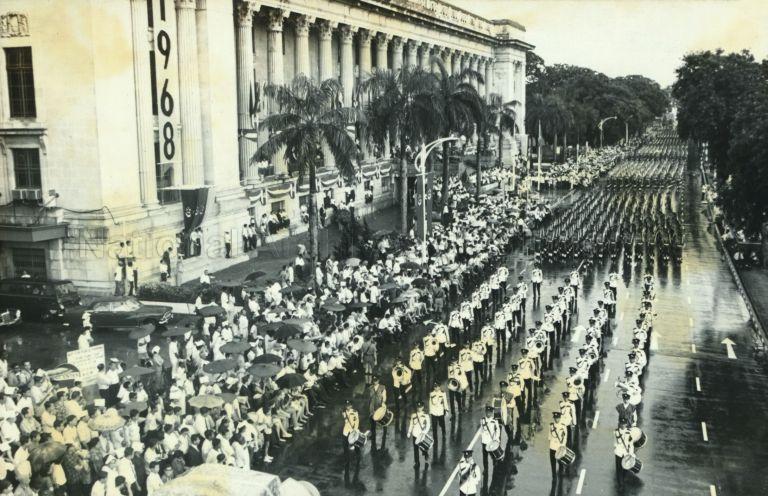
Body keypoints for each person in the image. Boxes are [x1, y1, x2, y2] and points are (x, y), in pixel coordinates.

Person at [480, 405, 502, 481]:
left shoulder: (494, 420)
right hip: (484, 442)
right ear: (485, 412)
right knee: (484, 457)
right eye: (487, 412)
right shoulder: (482, 420)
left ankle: (495, 469)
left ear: (492, 412)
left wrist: (496, 439)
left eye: (489, 412)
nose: (488, 414)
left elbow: (498, 430)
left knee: (494, 457)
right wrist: (482, 440)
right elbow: (481, 430)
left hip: (491, 442)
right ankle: (485, 469)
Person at [341, 402, 361, 482]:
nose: (347, 407)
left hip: (353, 432)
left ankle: (358, 457)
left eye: (349, 406)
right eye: (346, 406)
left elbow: (357, 422)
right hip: (346, 431)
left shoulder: (355, 412)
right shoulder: (344, 412)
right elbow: (345, 421)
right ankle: (347, 460)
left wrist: (355, 430)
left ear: (351, 406)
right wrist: (345, 416)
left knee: (356, 445)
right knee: (345, 446)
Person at [407, 401, 430, 468]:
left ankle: (425, 454)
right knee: (415, 449)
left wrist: (424, 432)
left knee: (422, 447)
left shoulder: (426, 416)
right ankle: (417, 462)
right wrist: (409, 432)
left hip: (422, 434)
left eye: (420, 407)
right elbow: (411, 424)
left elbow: (428, 425)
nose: (419, 408)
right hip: (415, 434)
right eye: (418, 407)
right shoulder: (413, 415)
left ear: (422, 407)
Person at [614, 418, 634, 490]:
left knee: (626, 468)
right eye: (621, 424)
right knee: (619, 469)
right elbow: (615, 442)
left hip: (626, 453)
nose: (623, 425)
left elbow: (631, 444)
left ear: (626, 424)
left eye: (624, 424)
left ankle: (624, 479)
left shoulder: (629, 432)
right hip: (618, 453)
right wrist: (615, 448)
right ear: (619, 423)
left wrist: (631, 453)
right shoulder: (616, 431)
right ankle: (620, 484)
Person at [368, 376, 387, 446]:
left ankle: (385, 433)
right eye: (374, 380)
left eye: (376, 380)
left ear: (378, 380)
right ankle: (373, 435)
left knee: (383, 419)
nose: (375, 382)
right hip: (372, 406)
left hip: (380, 405)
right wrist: (370, 407)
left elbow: (384, 397)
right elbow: (370, 398)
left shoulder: (382, 387)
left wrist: (383, 403)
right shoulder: (370, 388)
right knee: (372, 421)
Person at [428, 382, 448, 447]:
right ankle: (435, 439)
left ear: (439, 387)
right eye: (435, 387)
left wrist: (446, 410)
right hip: (434, 412)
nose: (436, 388)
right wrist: (430, 412)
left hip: (440, 412)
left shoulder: (443, 393)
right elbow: (430, 403)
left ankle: (443, 432)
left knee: (442, 424)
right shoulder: (431, 394)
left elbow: (445, 402)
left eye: (437, 386)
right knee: (434, 426)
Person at [549, 411, 567, 480]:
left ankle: (561, 475)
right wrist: (550, 445)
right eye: (555, 418)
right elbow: (549, 436)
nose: (556, 419)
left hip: (559, 447)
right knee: (553, 463)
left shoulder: (563, 426)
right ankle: (554, 476)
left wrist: (563, 445)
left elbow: (565, 437)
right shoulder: (551, 425)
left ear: (560, 418)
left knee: (560, 463)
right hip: (552, 446)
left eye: (558, 418)